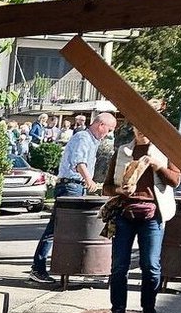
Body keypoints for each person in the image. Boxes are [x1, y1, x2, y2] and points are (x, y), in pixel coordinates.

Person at [102, 111, 181, 313]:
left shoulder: (163, 152)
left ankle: (149, 308)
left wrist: (158, 166)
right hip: (125, 213)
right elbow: (106, 187)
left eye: (145, 128)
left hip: (153, 215)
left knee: (151, 266)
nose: (141, 131)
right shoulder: (123, 151)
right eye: (137, 126)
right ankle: (117, 312)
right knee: (119, 267)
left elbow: (175, 180)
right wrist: (120, 189)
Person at [29, 112, 117, 284]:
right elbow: (79, 162)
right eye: (109, 129)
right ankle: (38, 268)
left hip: (75, 186)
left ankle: (70, 266)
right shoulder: (83, 138)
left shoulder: (91, 140)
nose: (109, 133)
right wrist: (89, 180)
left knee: (68, 229)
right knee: (58, 228)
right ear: (100, 125)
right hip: (71, 186)